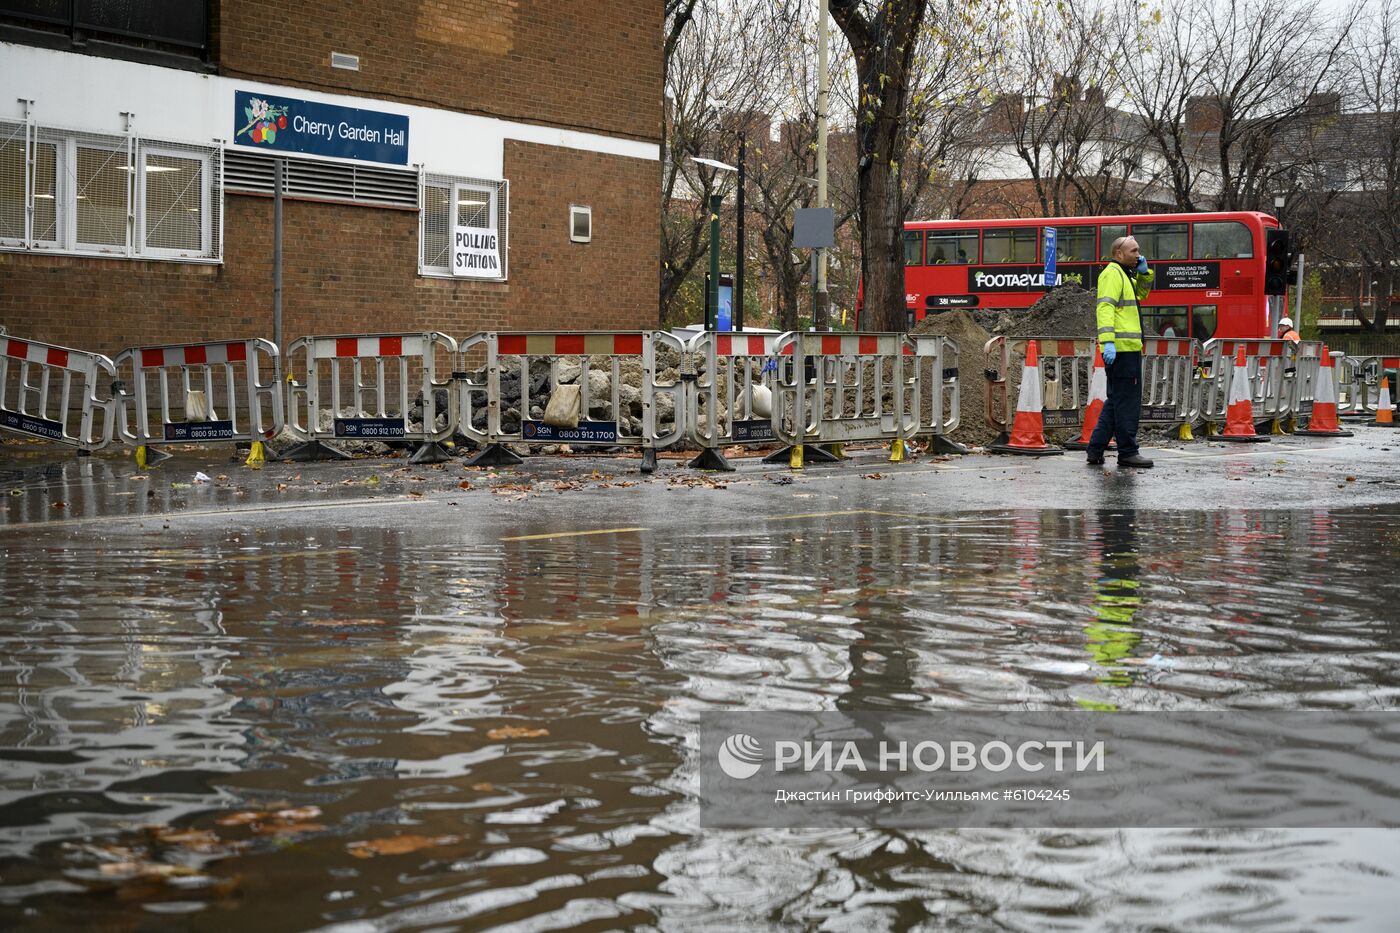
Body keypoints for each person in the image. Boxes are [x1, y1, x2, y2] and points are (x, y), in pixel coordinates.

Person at [1087, 236, 1155, 468]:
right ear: (1118, 253)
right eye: (1133, 251)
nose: (1138, 254)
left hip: (1126, 350)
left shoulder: (1124, 275)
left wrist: (1145, 274)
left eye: (1138, 250)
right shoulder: (1112, 274)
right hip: (1122, 350)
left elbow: (1142, 294)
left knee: (1116, 401)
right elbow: (1104, 307)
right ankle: (1127, 452)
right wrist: (1107, 342)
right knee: (1127, 403)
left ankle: (1095, 449)